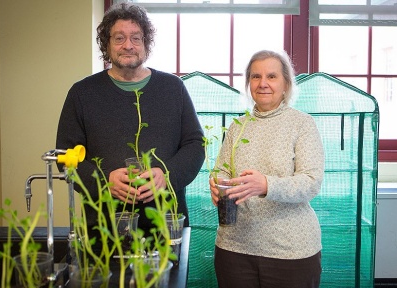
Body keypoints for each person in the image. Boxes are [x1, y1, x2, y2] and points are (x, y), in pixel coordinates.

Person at [56, 3, 204, 239]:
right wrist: (105, 183)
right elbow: (65, 156)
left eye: (136, 38)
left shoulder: (173, 88)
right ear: (107, 44)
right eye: (119, 38)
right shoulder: (82, 93)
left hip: (167, 225)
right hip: (104, 229)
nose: (128, 45)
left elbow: (195, 145)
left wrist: (166, 175)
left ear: (146, 43)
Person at [209, 50, 324, 288]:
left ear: (286, 84)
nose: (263, 84)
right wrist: (217, 183)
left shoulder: (302, 124)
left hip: (290, 251)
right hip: (234, 247)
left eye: (271, 76)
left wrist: (266, 185)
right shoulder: (238, 126)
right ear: (248, 83)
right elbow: (221, 170)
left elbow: (311, 181)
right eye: (255, 77)